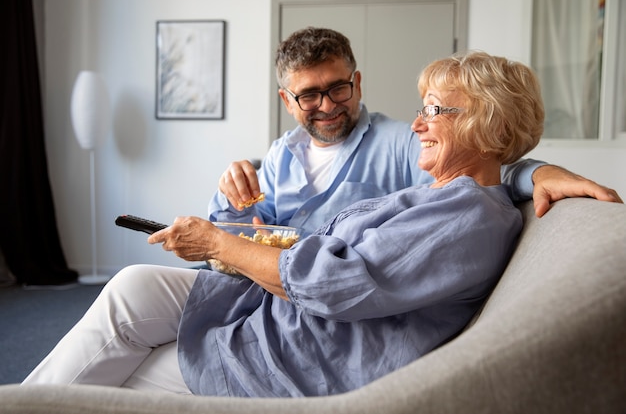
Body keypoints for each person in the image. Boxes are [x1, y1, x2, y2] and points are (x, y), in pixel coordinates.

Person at [26, 51, 547, 397]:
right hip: (273, 298)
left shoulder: (464, 210)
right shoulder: (293, 154)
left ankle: (30, 405)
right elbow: (292, 234)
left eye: (436, 111)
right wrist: (224, 231)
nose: (418, 124)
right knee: (130, 287)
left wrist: (219, 244)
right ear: (289, 101)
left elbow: (331, 283)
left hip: (307, 345)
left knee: (124, 371)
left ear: (490, 122)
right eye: (421, 108)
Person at [210, 27, 621, 234]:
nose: (328, 105)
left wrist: (538, 173)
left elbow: (477, 165)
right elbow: (247, 231)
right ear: (287, 101)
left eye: (338, 88)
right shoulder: (281, 154)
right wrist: (231, 193)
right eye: (309, 96)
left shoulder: (405, 141)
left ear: (357, 82)